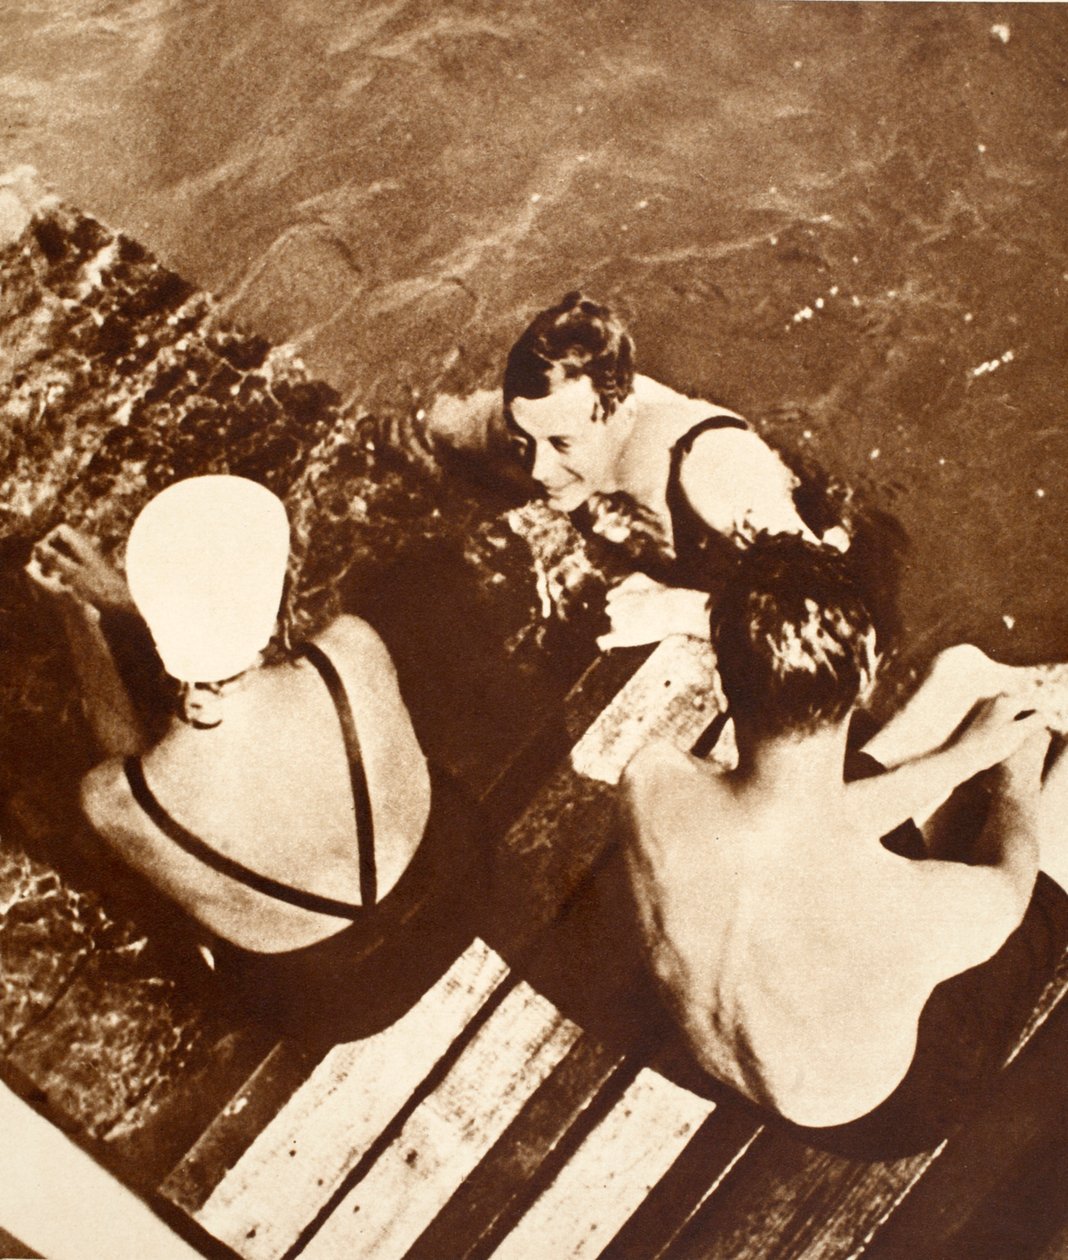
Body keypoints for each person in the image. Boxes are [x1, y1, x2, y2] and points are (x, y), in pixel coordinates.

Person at [620, 535, 1068, 1155]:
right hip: (885, 1111)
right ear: (864, 680)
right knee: (1050, 891)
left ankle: (962, 688)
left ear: (724, 685)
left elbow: (798, 834)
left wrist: (965, 757)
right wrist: (1018, 762)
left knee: (815, 784)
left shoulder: (652, 779)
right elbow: (1011, 888)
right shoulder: (901, 909)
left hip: (739, 1058)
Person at [26, 476, 480, 1039]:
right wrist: (129, 601)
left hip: (340, 1002)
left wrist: (81, 619)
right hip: (463, 889)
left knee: (154, 864)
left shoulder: (109, 799)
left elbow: (133, 770)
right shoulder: (350, 646)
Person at [501, 291, 851, 648]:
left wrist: (677, 611)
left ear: (624, 411)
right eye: (522, 442)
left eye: (562, 444)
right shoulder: (543, 415)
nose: (539, 470)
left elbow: (827, 612)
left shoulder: (711, 467)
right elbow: (448, 426)